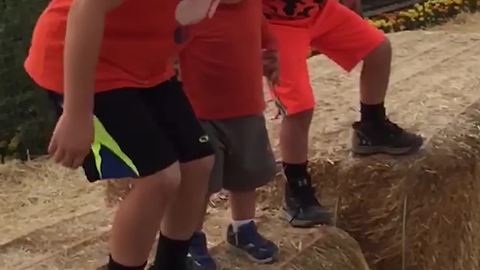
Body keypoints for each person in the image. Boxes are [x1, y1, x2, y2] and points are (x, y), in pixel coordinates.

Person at [24, 0, 219, 269]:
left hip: (144, 64)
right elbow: (87, 9)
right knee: (159, 178)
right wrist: (77, 114)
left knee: (198, 164)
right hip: (86, 66)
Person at [263, 0, 424, 228]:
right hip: (276, 23)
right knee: (299, 106)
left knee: (378, 49)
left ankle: (372, 126)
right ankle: (296, 187)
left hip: (319, 10)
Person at [177, 1, 280, 269]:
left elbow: (263, 33)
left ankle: (242, 228)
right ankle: (191, 238)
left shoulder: (251, 4)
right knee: (201, 181)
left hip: (245, 104)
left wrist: (270, 54)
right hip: (197, 109)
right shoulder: (190, 8)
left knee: (247, 171)